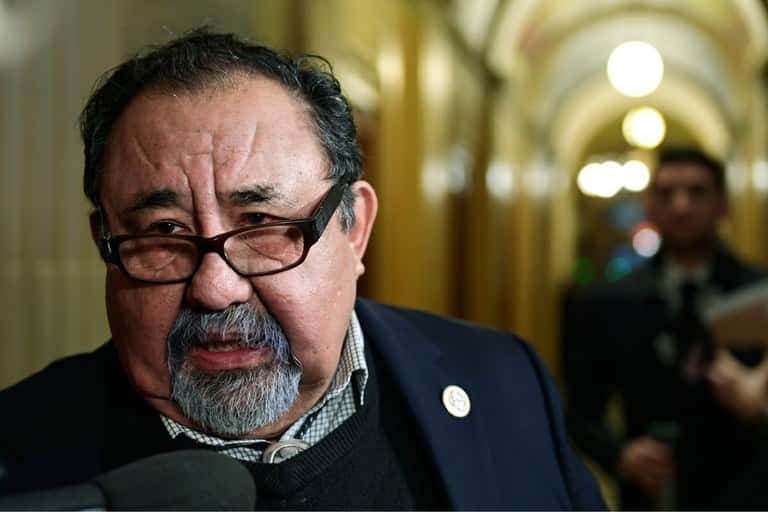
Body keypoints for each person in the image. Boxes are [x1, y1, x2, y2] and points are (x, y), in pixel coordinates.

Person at [0, 29, 604, 510]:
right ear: (105, 243)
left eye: (262, 223)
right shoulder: (22, 455)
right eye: (164, 232)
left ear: (354, 228)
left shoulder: (503, 384)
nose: (215, 288)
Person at [563, 147, 768, 510]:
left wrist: (757, 408)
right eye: (666, 193)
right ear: (650, 205)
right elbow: (580, 412)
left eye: (697, 192)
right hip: (649, 496)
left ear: (723, 204)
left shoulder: (759, 293)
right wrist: (620, 454)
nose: (681, 206)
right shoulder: (608, 300)